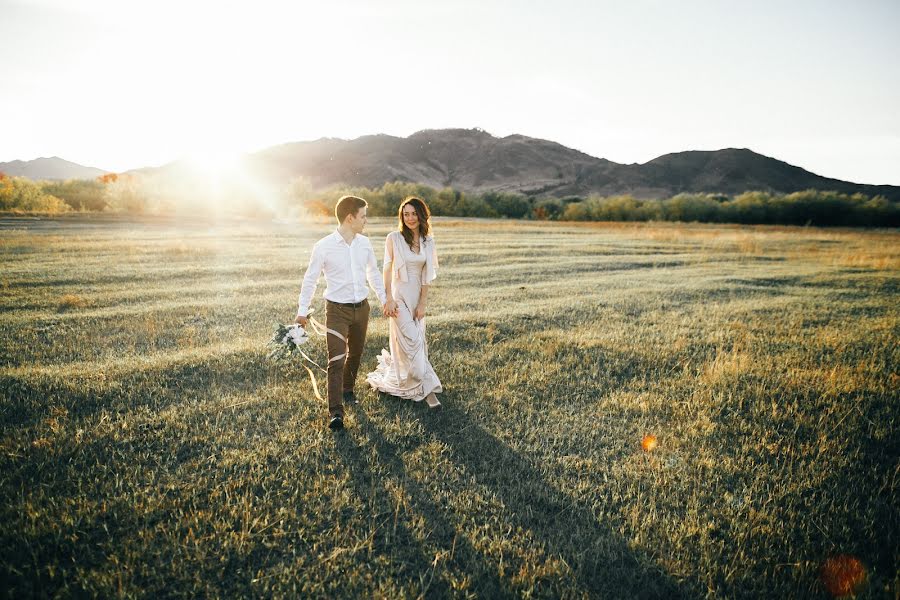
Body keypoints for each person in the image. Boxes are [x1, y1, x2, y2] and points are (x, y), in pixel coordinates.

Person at [296, 195, 397, 430]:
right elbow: (310, 280)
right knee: (336, 359)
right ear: (350, 218)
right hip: (336, 311)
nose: (366, 221)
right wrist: (302, 311)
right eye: (363, 216)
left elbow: (373, 273)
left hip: (361, 309)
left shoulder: (365, 243)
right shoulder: (323, 246)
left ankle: (347, 389)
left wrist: (384, 299)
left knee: (355, 355)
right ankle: (336, 412)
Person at [366, 196, 443, 409]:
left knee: (417, 341)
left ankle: (419, 383)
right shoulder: (394, 238)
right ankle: (429, 392)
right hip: (399, 297)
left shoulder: (428, 241)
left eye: (413, 213)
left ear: (421, 214)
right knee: (413, 340)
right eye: (405, 214)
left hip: (417, 296)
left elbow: (427, 276)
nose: (410, 218)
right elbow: (387, 268)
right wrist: (388, 298)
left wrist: (422, 304)